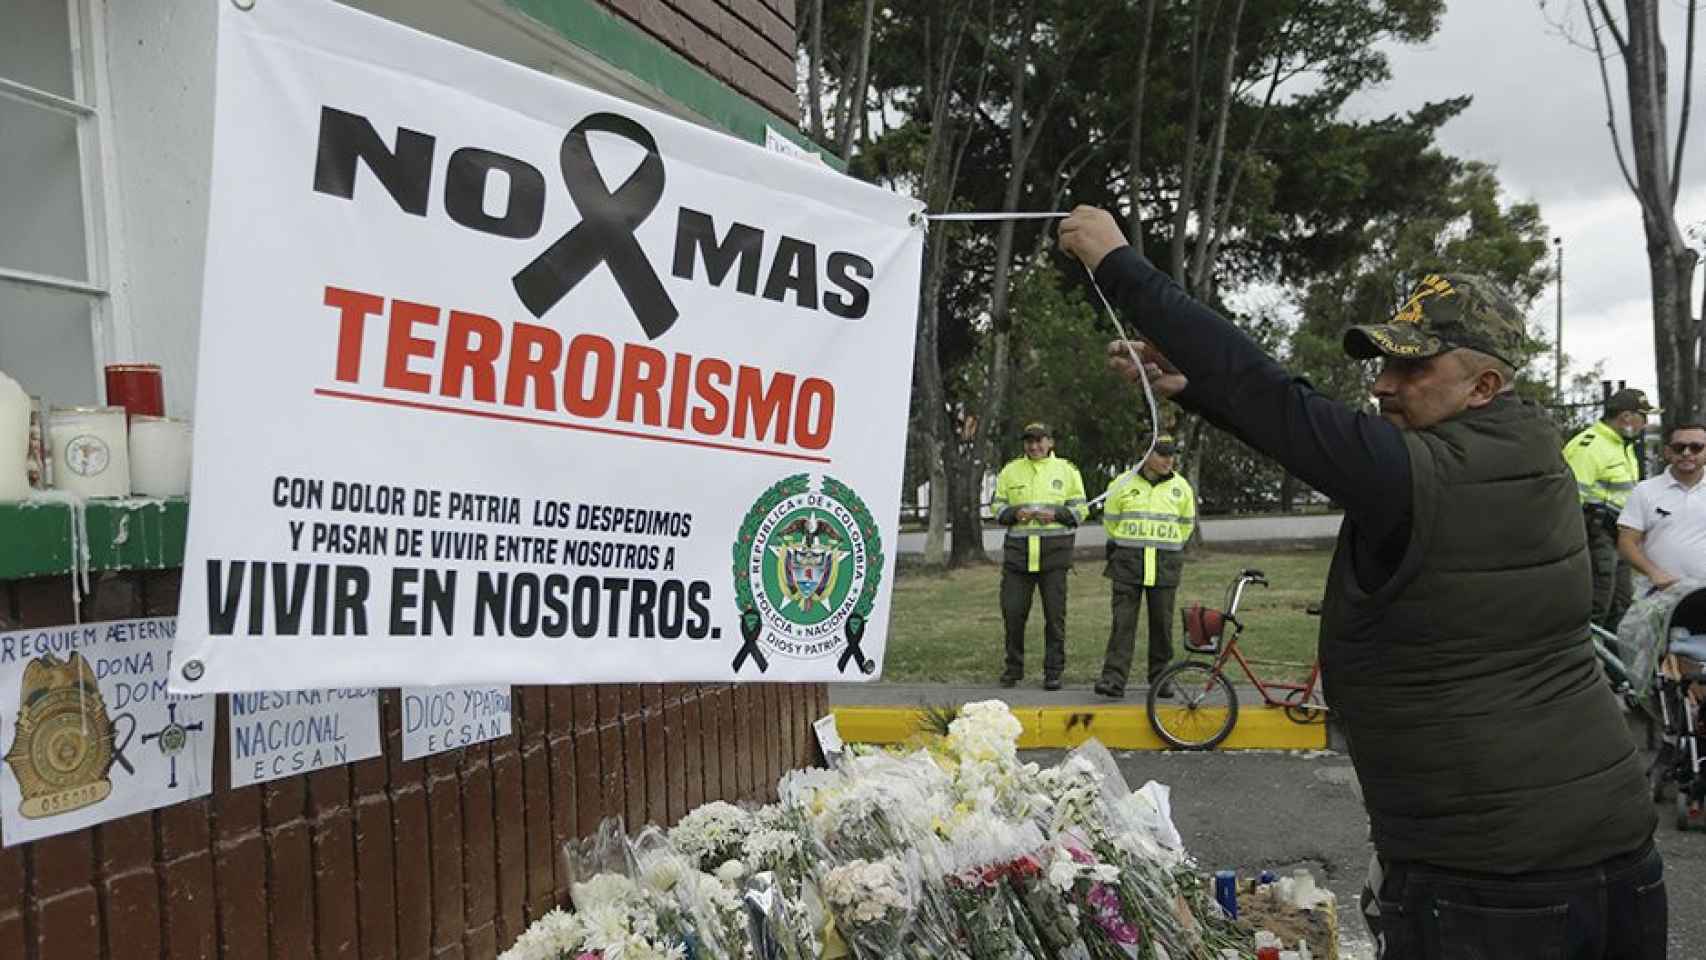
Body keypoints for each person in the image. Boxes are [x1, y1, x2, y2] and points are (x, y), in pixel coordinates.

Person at [1057, 206, 1662, 959]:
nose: (1382, 385)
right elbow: (1308, 430)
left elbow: (1282, 403)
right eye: (1383, 363)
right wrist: (1194, 387)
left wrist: (1121, 265)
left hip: (1494, 884)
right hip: (1614, 854)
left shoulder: (1422, 475)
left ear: (1484, 385)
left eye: (1412, 367)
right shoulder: (1528, 451)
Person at [1095, 433, 1196, 699]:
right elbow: (1111, 522)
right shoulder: (1122, 484)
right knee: (1122, 624)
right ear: (1146, 455)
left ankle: (1161, 679)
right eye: (1162, 454)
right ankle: (1113, 680)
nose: (1168, 459)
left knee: (1162, 626)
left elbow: (1186, 527)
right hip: (1128, 565)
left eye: (1171, 454)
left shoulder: (1182, 487)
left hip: (1165, 566)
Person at [989, 421, 1087, 690]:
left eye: (1039, 440)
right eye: (1029, 441)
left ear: (1050, 443)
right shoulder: (1010, 471)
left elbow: (1081, 510)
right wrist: (1013, 514)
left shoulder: (1067, 471)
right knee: (1013, 614)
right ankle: (1013, 669)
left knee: (1055, 618)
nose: (1034, 446)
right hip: (1018, 559)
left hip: (1054, 558)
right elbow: (996, 506)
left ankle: (1053, 672)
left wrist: (1057, 515)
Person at [1565, 388, 1654, 629]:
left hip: (1620, 536)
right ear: (1626, 417)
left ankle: (1616, 663)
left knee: (1621, 604)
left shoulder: (1620, 445)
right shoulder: (1590, 446)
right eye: (1643, 417)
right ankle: (1589, 662)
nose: (1645, 424)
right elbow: (1569, 499)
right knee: (1598, 605)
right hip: (1596, 536)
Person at [1617, 421, 1706, 594]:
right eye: (1679, 447)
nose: (1687, 453)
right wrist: (1654, 573)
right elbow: (1626, 543)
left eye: (1696, 447)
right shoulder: (1645, 491)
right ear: (1667, 452)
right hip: (1658, 594)